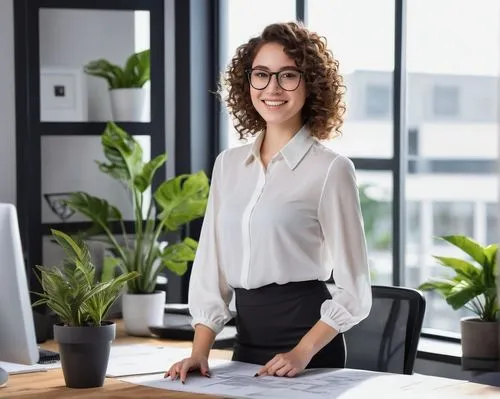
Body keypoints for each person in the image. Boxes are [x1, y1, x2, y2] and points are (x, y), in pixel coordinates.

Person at [165, 21, 372, 382]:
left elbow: (355, 291)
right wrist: (199, 353)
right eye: (261, 74)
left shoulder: (331, 170)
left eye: (288, 75)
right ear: (248, 84)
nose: (273, 88)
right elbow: (211, 268)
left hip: (308, 349)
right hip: (246, 343)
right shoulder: (228, 165)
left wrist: (302, 352)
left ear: (311, 83)